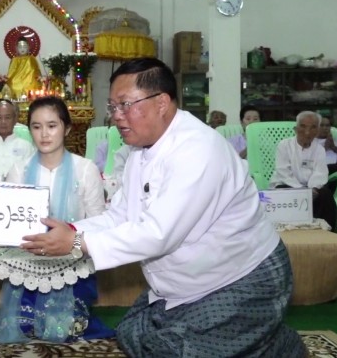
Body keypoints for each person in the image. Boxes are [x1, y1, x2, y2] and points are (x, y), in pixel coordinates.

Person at [21, 58, 305, 357]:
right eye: (112, 107)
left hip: (240, 278)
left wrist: (77, 242)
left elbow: (158, 234)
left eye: (125, 105)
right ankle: (257, 340)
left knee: (168, 351)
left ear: (161, 103)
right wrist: (71, 230)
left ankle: (277, 345)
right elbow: (120, 215)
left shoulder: (198, 150)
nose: (116, 116)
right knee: (132, 333)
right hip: (187, 283)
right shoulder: (140, 151)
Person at [0, 95, 113, 343]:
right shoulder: (19, 170)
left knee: (66, 327)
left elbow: (98, 227)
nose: (44, 134)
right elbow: (10, 226)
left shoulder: (85, 169)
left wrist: (72, 245)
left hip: (72, 263)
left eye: (52, 125)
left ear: (66, 128)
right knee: (24, 325)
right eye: (36, 127)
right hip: (29, 262)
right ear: (29, 131)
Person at [270, 111, 337, 229]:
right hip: (288, 185)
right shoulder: (284, 145)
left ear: (317, 131)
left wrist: (312, 189)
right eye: (303, 126)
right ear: (295, 129)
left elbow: (320, 173)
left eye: (313, 127)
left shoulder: (319, 149)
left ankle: (326, 231)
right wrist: (301, 190)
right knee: (283, 191)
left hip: (311, 189)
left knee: (325, 194)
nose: (307, 132)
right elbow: (283, 171)